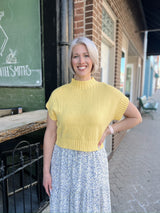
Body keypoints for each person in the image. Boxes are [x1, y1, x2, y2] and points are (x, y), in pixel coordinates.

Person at [43, 37, 142, 213]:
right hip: (63, 164)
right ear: (71, 60)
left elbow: (136, 117)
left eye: (86, 55)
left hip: (93, 166)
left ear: (93, 59)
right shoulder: (58, 95)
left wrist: (111, 129)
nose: (81, 61)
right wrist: (46, 172)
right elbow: (50, 134)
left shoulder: (108, 93)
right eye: (76, 56)